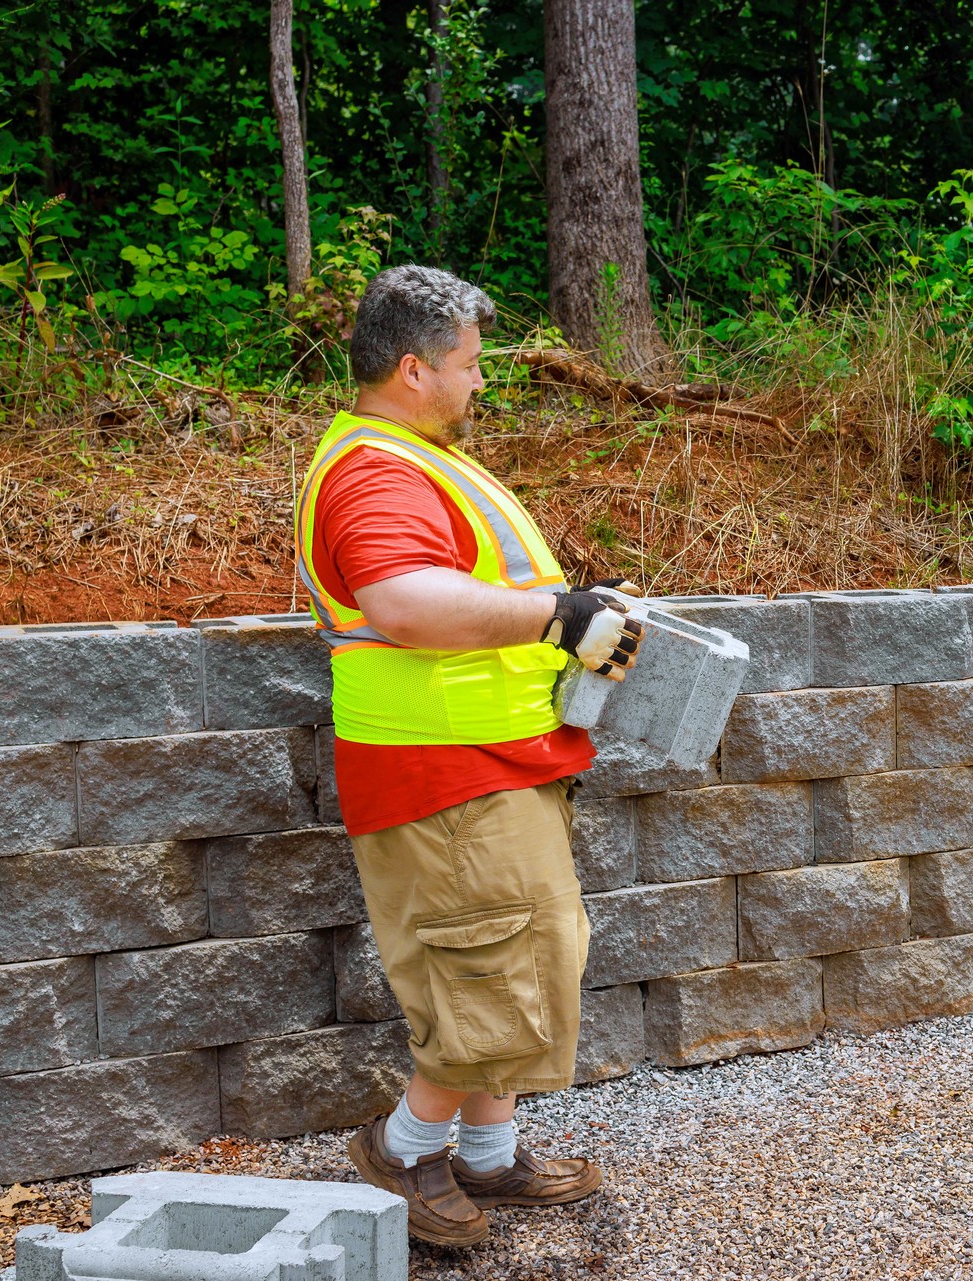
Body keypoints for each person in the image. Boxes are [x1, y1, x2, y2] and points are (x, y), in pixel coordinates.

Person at [295, 264, 644, 1246]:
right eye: (469, 364)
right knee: (490, 966)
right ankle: (403, 1150)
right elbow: (402, 604)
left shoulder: (410, 456)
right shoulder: (377, 472)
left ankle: (487, 1155)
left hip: (488, 758)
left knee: (530, 954)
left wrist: (578, 604)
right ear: (413, 368)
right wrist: (556, 614)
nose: (481, 382)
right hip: (440, 768)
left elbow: (468, 587)